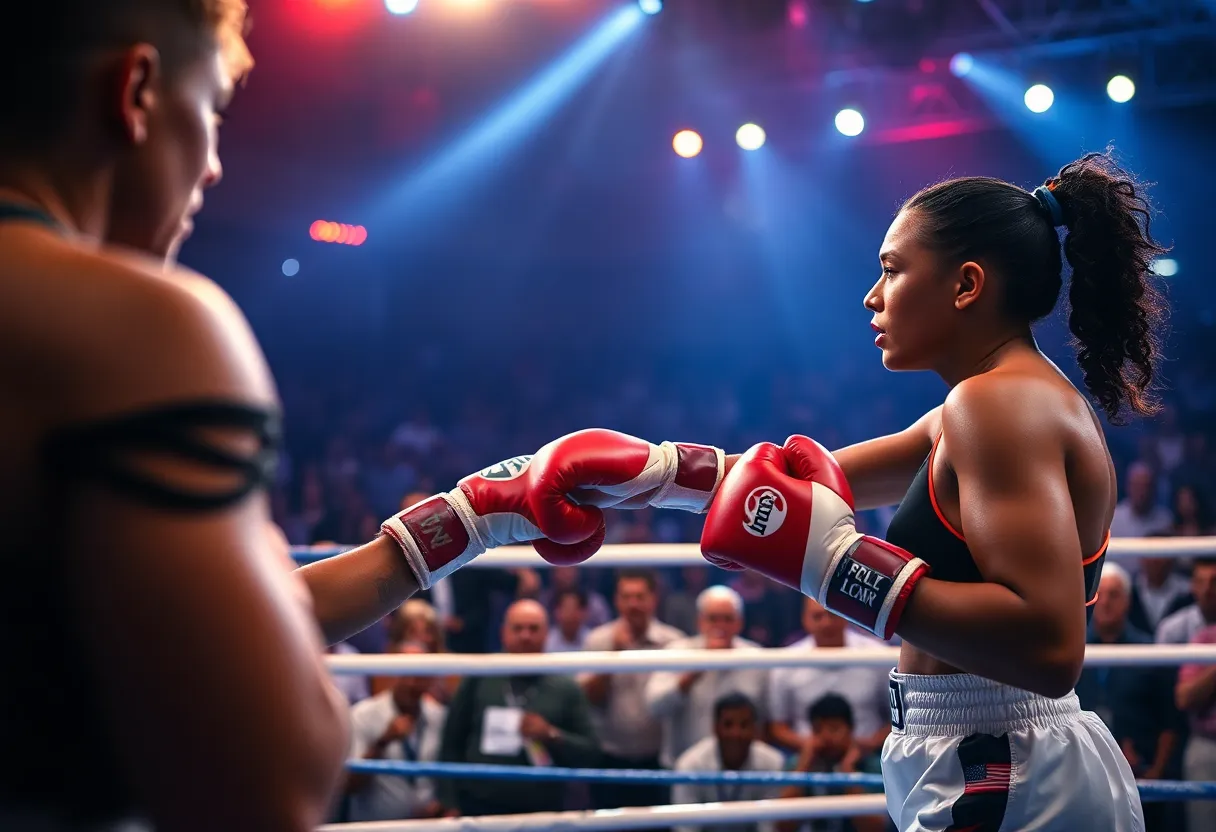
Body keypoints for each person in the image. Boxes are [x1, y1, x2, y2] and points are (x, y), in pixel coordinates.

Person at [1, 3, 723, 828]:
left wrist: (466, 521)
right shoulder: (133, 328)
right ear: (134, 91)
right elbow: (272, 774)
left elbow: (196, 640)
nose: (212, 170)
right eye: (210, 110)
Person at [540, 152, 1164, 831]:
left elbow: (1048, 649)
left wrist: (838, 567)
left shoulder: (998, 406)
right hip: (989, 751)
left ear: (966, 285)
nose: (873, 294)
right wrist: (650, 475)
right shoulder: (988, 403)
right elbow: (804, 483)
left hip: (1004, 760)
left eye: (893, 269)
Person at [671, 693, 785, 832]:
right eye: (728, 724)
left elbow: (768, 827)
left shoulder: (772, 764)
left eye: (744, 725)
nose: (736, 733)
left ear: (755, 729)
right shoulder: (690, 766)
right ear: (715, 728)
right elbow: (686, 828)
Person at [776, 694, 887, 832]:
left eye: (834, 729)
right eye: (818, 730)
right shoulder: (798, 765)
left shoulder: (874, 766)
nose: (826, 737)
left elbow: (875, 829)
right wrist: (803, 768)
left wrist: (848, 773)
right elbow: (782, 826)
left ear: (851, 729)